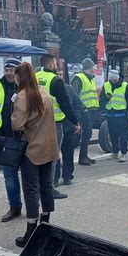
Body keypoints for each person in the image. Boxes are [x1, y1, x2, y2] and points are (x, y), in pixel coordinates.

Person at [11, 62, 59, 247]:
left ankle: (31, 230)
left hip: (31, 148)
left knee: (31, 188)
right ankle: (45, 222)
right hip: (49, 146)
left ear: (19, 77)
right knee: (46, 185)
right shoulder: (44, 92)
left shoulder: (23, 96)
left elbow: (17, 125)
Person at [35, 54, 79, 199]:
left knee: (40, 156)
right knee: (52, 157)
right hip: (54, 123)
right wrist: (74, 121)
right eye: (55, 63)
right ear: (50, 65)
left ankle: (40, 186)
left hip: (37, 123)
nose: (56, 66)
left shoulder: (35, 77)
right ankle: (49, 189)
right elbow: (64, 103)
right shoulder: (55, 80)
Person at [0, 57, 23, 222]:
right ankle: (14, 207)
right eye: (6, 69)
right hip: (5, 138)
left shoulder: (25, 87)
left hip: (25, 137)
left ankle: (34, 209)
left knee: (31, 177)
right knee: (9, 176)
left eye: (12, 70)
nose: (8, 73)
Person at [54, 77, 84, 186]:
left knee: (65, 153)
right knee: (57, 154)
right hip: (59, 125)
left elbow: (77, 104)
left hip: (65, 125)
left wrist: (75, 122)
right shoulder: (53, 88)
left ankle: (66, 176)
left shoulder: (69, 89)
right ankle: (56, 177)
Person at [100, 70, 128, 162]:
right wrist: (106, 98)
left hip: (122, 115)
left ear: (118, 78)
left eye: (116, 80)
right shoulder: (106, 85)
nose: (115, 81)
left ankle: (123, 153)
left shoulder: (125, 86)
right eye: (113, 80)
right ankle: (114, 152)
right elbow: (101, 100)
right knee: (113, 135)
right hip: (110, 115)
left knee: (123, 135)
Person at [71, 58, 99, 166]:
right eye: (93, 67)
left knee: (87, 134)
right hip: (84, 111)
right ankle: (82, 158)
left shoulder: (91, 79)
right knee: (86, 133)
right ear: (89, 67)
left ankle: (84, 156)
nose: (94, 68)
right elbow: (75, 95)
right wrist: (83, 108)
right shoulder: (79, 78)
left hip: (91, 110)